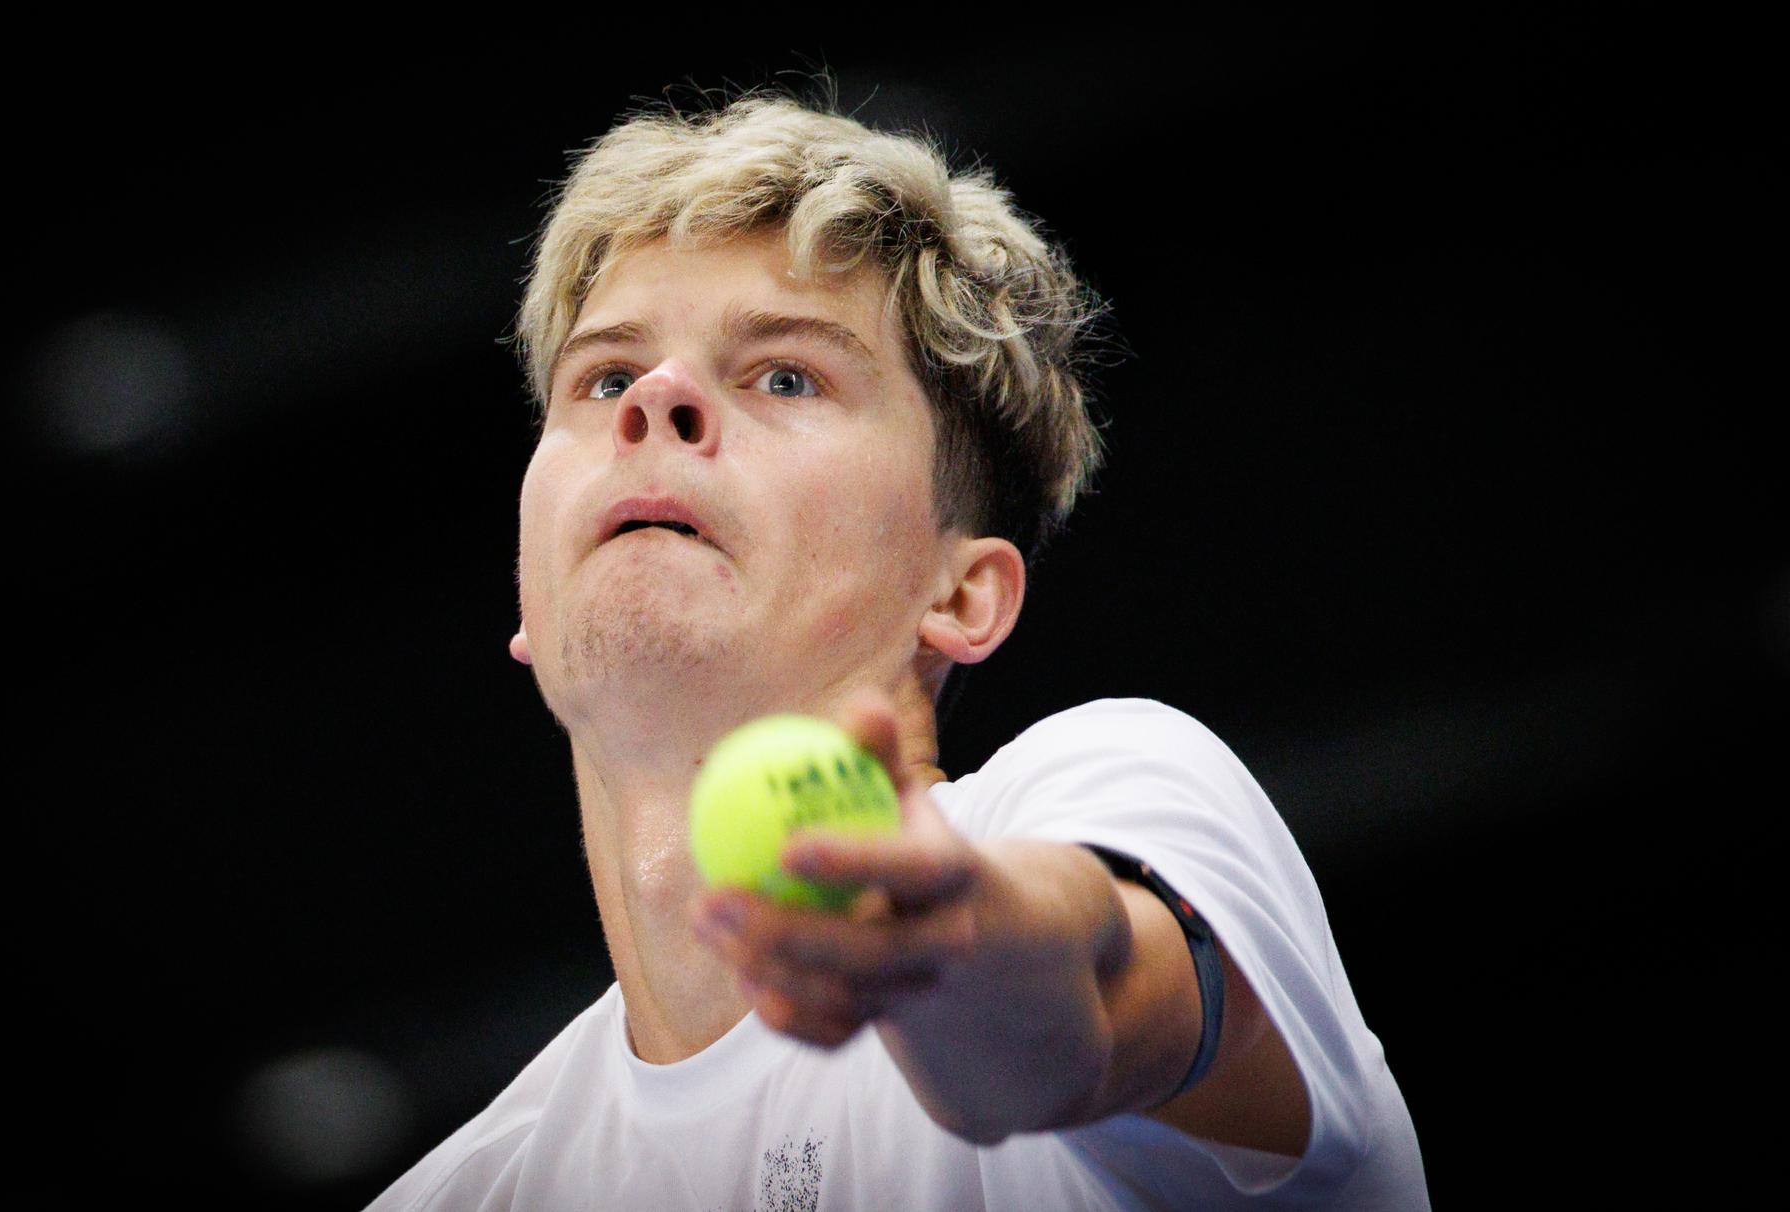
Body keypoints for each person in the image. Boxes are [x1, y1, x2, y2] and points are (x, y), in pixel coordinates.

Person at [369, 89, 1427, 1211]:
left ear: (962, 590)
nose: (658, 401)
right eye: (608, 377)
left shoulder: (1127, 783)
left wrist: (960, 949)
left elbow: (1100, 992)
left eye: (786, 374)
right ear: (528, 591)